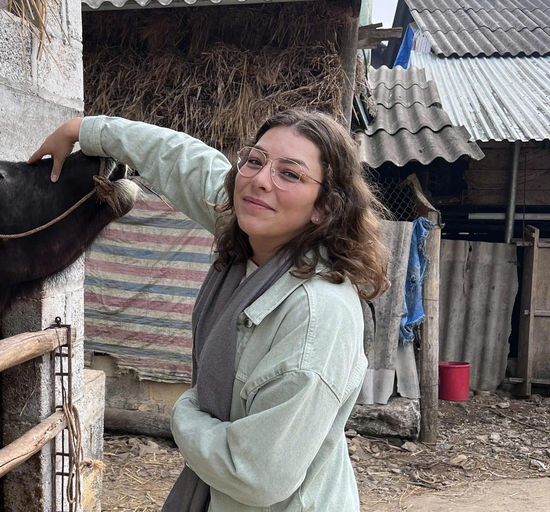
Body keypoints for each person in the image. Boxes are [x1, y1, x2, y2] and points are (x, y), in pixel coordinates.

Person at [30, 109, 389, 512]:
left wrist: (186, 413)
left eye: (290, 174)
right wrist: (83, 129)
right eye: (255, 160)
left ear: (324, 206)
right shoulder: (252, 232)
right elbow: (182, 160)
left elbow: (256, 475)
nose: (261, 180)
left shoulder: (316, 317)